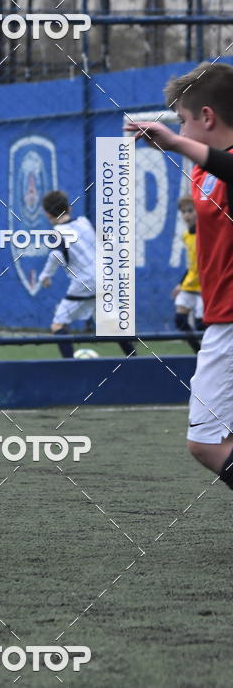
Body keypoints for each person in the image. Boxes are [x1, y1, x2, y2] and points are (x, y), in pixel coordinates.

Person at [126, 61, 233, 485]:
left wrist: (179, 144)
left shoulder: (211, 163)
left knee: (206, 442)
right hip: (220, 316)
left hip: (230, 324)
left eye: (185, 121)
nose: (181, 131)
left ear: (207, 117)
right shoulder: (203, 170)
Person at [39, 190, 137, 358]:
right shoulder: (85, 222)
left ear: (47, 215)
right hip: (104, 279)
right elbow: (110, 240)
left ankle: (70, 366)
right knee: (112, 325)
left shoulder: (58, 233)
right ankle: (134, 360)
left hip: (83, 283)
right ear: (69, 209)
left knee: (58, 325)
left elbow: (56, 255)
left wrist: (45, 276)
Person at [172, 196, 203, 353]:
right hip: (190, 283)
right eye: (183, 212)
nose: (187, 215)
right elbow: (192, 264)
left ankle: (207, 352)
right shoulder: (186, 235)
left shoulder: (206, 234)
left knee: (201, 324)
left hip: (205, 285)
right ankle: (198, 351)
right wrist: (180, 283)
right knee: (180, 320)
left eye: (190, 211)